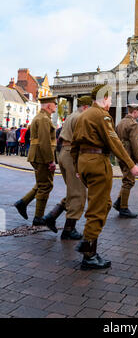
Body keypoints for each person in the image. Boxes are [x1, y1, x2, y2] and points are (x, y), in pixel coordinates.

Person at [71, 84, 138, 270]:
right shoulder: (101, 115)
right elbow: (114, 142)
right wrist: (131, 164)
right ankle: (89, 254)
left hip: (85, 163)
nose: (111, 103)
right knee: (98, 208)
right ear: (104, 99)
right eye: (110, 99)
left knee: (104, 204)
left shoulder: (83, 115)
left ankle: (87, 242)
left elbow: (74, 144)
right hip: (97, 162)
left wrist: (78, 165)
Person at [42, 96, 92, 239]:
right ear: (86, 107)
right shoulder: (81, 118)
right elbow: (82, 140)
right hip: (72, 155)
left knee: (73, 190)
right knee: (79, 194)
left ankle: (51, 216)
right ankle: (69, 229)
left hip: (64, 154)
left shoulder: (71, 116)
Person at [14, 96, 58, 226]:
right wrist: (50, 161)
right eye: (55, 104)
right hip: (41, 156)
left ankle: (23, 203)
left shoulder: (40, 117)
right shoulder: (44, 119)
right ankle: (38, 217)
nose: (56, 106)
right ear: (49, 106)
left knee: (41, 183)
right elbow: (45, 142)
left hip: (36, 155)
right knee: (46, 186)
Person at [113, 104, 138, 218]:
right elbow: (134, 143)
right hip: (128, 155)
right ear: (134, 112)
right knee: (129, 181)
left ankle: (118, 202)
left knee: (126, 179)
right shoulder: (133, 124)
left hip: (120, 154)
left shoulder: (120, 123)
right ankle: (123, 208)